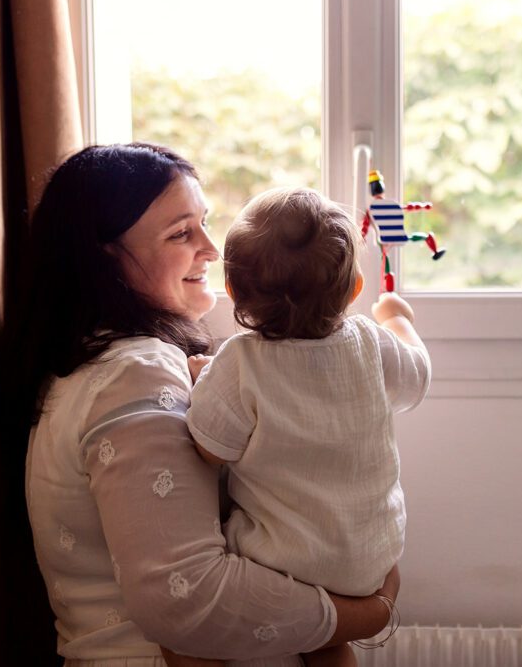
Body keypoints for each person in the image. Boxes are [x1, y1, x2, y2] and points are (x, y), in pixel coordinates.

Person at [13, 144, 399, 667]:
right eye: (181, 233)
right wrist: (370, 611)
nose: (213, 249)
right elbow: (188, 597)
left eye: (204, 223)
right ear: (105, 257)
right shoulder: (135, 373)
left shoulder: (105, 362)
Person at [181, 188, 431, 667]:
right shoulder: (368, 341)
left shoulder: (239, 362)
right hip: (370, 559)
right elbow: (416, 377)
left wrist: (201, 379)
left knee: (190, 610)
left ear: (233, 292)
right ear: (355, 290)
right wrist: (397, 318)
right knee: (329, 642)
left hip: (283, 562)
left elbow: (211, 448)